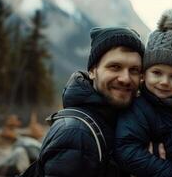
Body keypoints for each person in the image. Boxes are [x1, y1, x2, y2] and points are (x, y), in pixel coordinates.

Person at [34, 27, 145, 177]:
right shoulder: (76, 134)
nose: (125, 78)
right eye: (115, 67)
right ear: (93, 71)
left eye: (134, 70)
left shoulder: (119, 122)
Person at [114, 9, 172, 177]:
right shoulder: (139, 109)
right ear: (144, 74)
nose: (164, 81)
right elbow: (126, 150)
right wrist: (171, 173)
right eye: (157, 73)